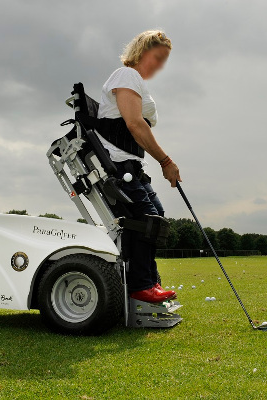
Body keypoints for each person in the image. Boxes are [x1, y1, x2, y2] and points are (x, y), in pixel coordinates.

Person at [96, 30, 180, 303]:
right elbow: (134, 124)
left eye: (164, 60)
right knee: (146, 221)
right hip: (120, 166)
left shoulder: (134, 80)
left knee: (155, 217)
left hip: (132, 165)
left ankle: (148, 282)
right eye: (157, 57)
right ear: (142, 51)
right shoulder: (126, 75)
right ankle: (141, 286)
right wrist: (165, 161)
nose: (160, 65)